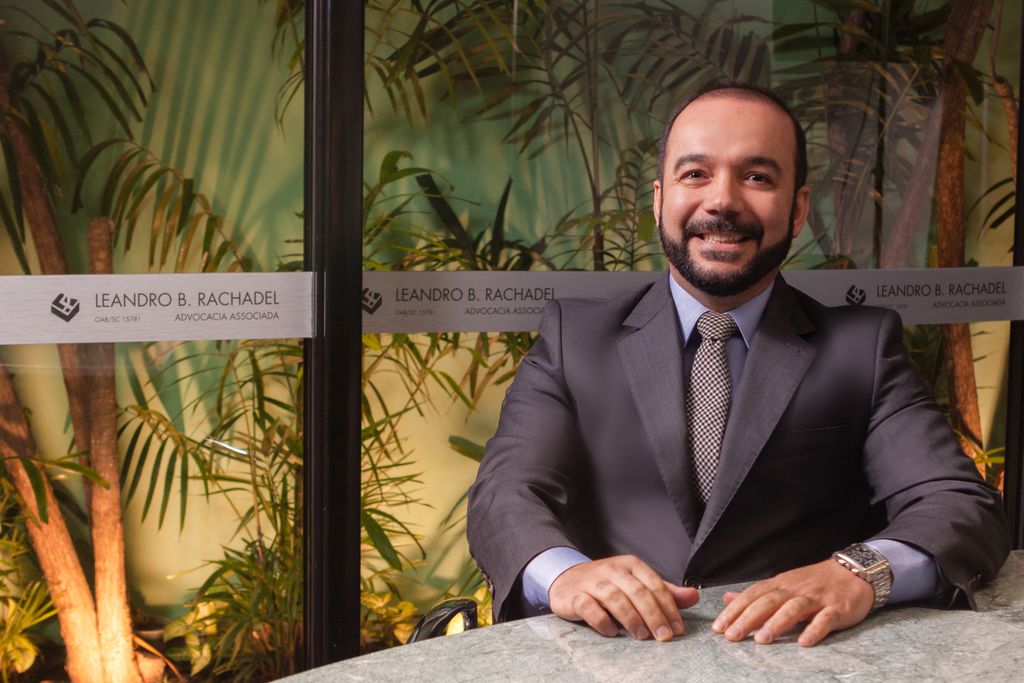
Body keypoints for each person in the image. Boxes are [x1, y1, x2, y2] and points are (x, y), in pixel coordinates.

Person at [466, 81, 1010, 648]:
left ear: (798, 209)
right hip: (614, 658)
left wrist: (859, 574)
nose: (722, 201)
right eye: (695, 174)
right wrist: (567, 575)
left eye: (757, 177)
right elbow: (506, 494)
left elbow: (957, 504)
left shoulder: (862, 348)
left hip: (798, 656)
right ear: (659, 199)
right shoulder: (574, 338)